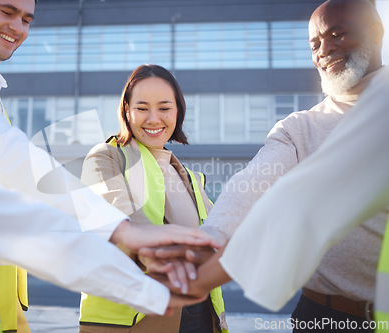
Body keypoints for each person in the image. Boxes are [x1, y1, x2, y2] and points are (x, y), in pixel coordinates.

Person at [0, 0, 220, 330]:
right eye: (6, 12)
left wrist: (146, 285)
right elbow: (14, 167)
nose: (18, 27)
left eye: (27, 19)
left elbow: (19, 224)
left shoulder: (188, 175)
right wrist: (126, 237)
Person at [144, 0, 386, 332]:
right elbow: (252, 185)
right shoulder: (299, 128)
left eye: (338, 34)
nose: (324, 50)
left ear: (376, 31)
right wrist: (209, 241)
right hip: (324, 317)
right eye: (315, 44)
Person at [78, 65, 227, 333]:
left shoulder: (190, 178)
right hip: (134, 320)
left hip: (201, 315)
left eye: (165, 108)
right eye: (143, 107)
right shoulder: (107, 157)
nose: (154, 118)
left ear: (178, 111)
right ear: (127, 110)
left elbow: (218, 234)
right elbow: (118, 219)